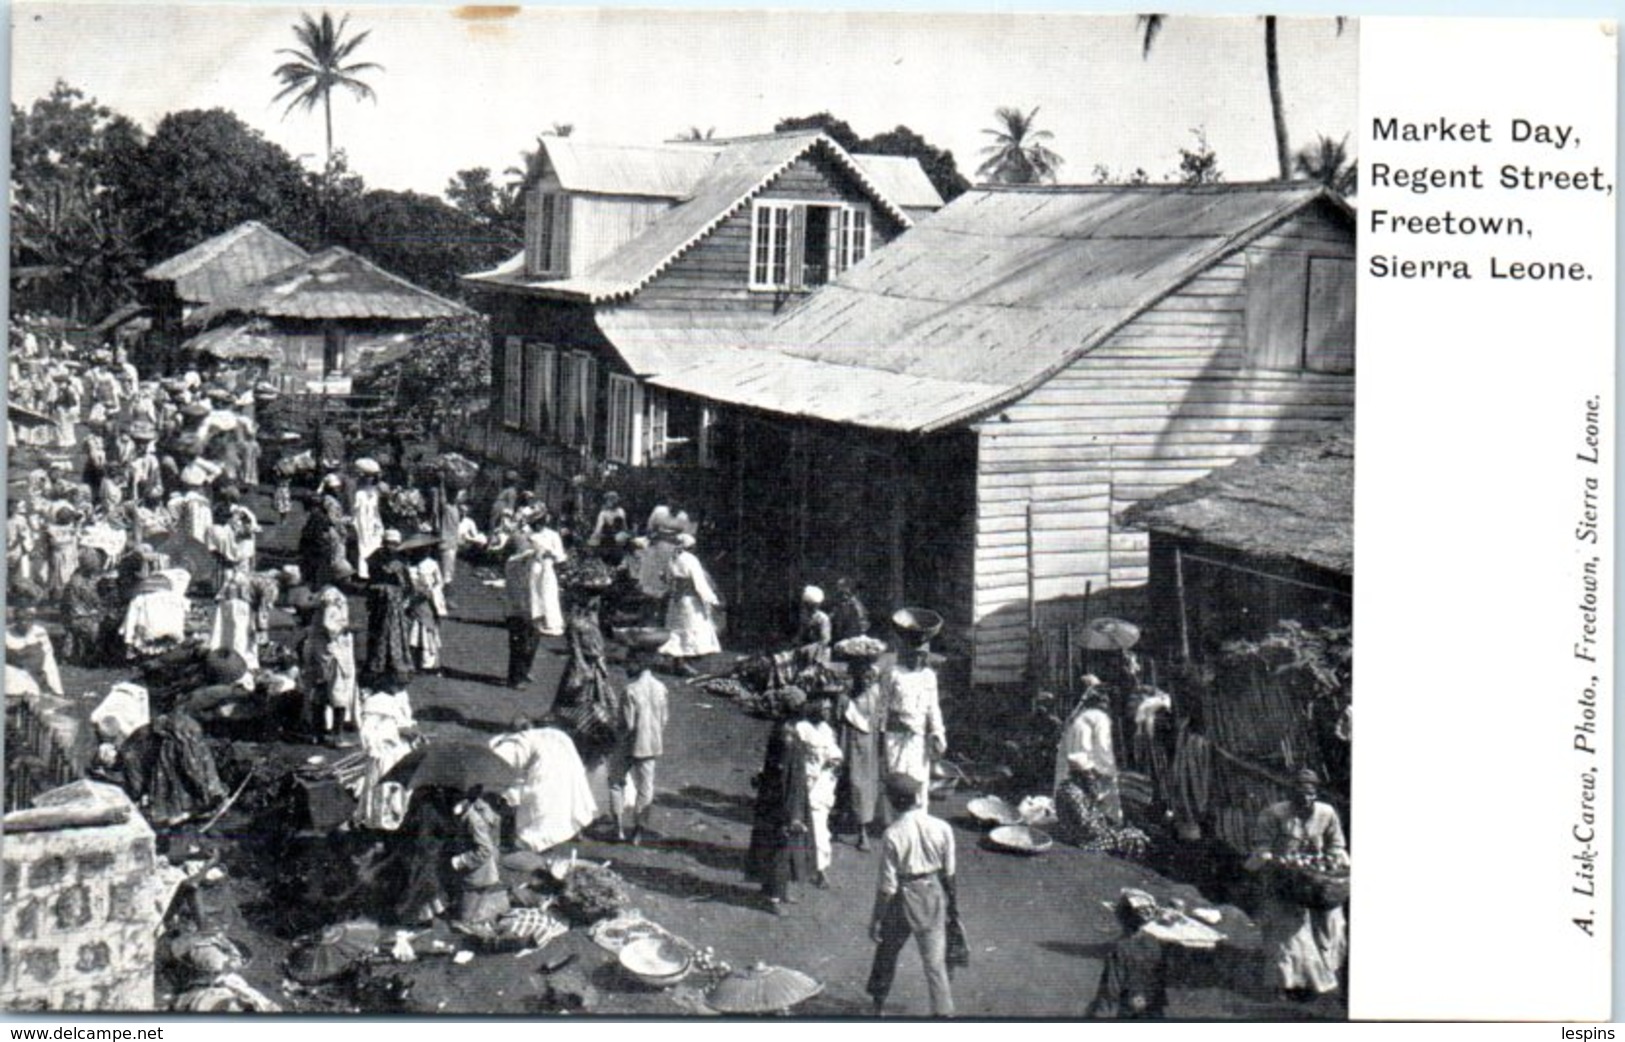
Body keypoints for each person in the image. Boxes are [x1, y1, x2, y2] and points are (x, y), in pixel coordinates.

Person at [1248, 769, 1349, 1001]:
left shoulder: (1326, 813)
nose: (1305, 800)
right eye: (1300, 794)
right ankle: (1287, 982)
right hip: (1282, 878)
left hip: (1318, 880)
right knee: (1288, 932)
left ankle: (1323, 976)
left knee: (1330, 926)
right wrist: (1273, 860)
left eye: (1310, 794)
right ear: (1290, 794)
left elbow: (1336, 845)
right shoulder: (1273, 814)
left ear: (1316, 794)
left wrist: (1335, 862)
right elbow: (1261, 847)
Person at [867, 772, 958, 1018]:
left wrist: (877, 919)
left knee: (887, 951)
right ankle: (943, 1013)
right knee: (935, 963)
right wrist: (952, 909)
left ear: (891, 801)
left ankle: (878, 1006)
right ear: (918, 797)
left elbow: (887, 886)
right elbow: (949, 874)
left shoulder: (893, 834)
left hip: (903, 897)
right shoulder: (943, 828)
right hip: (933, 893)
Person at [746, 689, 813, 914]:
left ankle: (777, 889)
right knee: (780, 846)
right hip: (783, 798)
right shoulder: (786, 736)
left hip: (780, 795)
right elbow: (784, 776)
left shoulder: (785, 731)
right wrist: (791, 812)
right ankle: (773, 897)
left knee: (781, 846)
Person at [490, 717, 598, 853]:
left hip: (546, 778)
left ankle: (524, 844)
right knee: (555, 811)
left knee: (540, 811)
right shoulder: (556, 735)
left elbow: (507, 761)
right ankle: (542, 842)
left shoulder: (525, 739)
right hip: (561, 776)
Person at [880, 611, 947, 808]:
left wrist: (937, 733)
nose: (918, 659)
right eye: (915, 655)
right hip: (895, 736)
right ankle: (896, 824)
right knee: (898, 779)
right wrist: (886, 729)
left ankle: (919, 820)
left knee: (918, 779)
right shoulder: (892, 674)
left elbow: (933, 708)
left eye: (922, 656)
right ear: (905, 653)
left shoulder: (928, 676)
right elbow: (882, 707)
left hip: (918, 736)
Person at [1085, 889, 1170, 1019]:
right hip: (1150, 1006)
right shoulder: (1154, 942)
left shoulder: (1120, 948)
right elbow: (1159, 979)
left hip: (1127, 1009)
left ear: (1121, 917)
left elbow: (1110, 990)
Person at [609, 668, 669, 844]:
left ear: (637, 663)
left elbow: (627, 724)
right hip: (650, 744)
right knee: (645, 787)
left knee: (616, 782)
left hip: (628, 743)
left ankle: (618, 828)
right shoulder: (662, 688)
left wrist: (615, 735)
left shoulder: (631, 690)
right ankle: (638, 832)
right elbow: (664, 719)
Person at [1055, 676, 1122, 826]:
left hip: (1074, 771)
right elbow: (1103, 751)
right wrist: (1109, 771)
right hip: (1089, 770)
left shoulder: (1077, 717)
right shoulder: (1099, 718)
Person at [839, 650, 886, 851]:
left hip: (869, 746)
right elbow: (840, 721)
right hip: (849, 742)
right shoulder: (846, 696)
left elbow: (881, 719)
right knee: (848, 782)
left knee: (864, 786)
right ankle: (842, 821)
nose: (866, 681)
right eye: (863, 677)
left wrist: (881, 741)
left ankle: (863, 831)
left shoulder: (876, 693)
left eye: (870, 677)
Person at [657, 533, 721, 677]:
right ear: (691, 547)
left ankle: (677, 662)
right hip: (690, 600)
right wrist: (713, 599)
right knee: (691, 629)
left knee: (678, 630)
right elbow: (700, 583)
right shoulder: (691, 560)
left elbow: (665, 578)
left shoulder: (673, 558)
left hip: (676, 600)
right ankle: (684, 663)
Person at [796, 695, 844, 887]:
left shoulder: (827, 730)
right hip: (806, 783)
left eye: (829, 709)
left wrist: (836, 761)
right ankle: (803, 865)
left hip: (824, 785)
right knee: (805, 825)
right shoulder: (802, 729)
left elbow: (835, 751)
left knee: (820, 828)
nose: (827, 712)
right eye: (824, 708)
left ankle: (820, 868)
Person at [301, 585, 358, 744]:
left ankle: (317, 733)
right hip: (332, 650)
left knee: (320, 689)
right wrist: (346, 627)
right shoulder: (334, 597)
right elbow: (329, 624)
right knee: (338, 690)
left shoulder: (322, 595)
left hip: (319, 649)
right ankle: (337, 736)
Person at [363, 530, 416, 689]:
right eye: (388, 543)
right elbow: (407, 586)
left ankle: (383, 664)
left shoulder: (381, 559)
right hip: (384, 603)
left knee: (389, 633)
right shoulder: (392, 561)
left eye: (393, 544)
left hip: (389, 604)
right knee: (382, 632)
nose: (390, 547)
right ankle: (379, 664)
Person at [450, 790, 510, 926]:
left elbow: (485, 849)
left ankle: (467, 934)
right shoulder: (478, 812)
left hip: (476, 874)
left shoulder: (474, 820)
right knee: (473, 907)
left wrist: (461, 860)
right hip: (482, 873)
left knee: (465, 917)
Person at [504, 534, 544, 688]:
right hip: (516, 609)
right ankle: (514, 678)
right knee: (519, 644)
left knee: (532, 640)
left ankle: (523, 671)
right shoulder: (513, 562)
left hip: (527, 608)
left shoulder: (522, 561)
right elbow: (528, 555)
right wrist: (535, 549)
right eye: (523, 544)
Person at [404, 536, 448, 673]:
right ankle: (414, 661)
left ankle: (428, 663)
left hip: (429, 602)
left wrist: (432, 591)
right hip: (414, 601)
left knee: (428, 631)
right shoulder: (409, 566)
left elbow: (439, 582)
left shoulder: (432, 564)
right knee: (414, 632)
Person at [532, 508, 567, 638]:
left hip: (548, 566)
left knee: (549, 593)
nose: (537, 525)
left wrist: (550, 553)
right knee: (535, 593)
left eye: (539, 522)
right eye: (535, 522)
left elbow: (560, 555)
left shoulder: (553, 535)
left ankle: (552, 623)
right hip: (535, 566)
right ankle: (537, 620)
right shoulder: (532, 535)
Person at [352, 460, 385, 580]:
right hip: (361, 520)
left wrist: (378, 521)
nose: (370, 479)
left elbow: (375, 509)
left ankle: (373, 569)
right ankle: (363, 571)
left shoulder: (373, 491)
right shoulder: (359, 493)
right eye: (367, 477)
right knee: (363, 543)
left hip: (371, 520)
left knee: (373, 542)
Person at [830, 577, 870, 643]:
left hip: (853, 635)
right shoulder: (839, 603)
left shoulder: (855, 604)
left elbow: (862, 620)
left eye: (842, 588)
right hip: (841, 634)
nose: (843, 596)